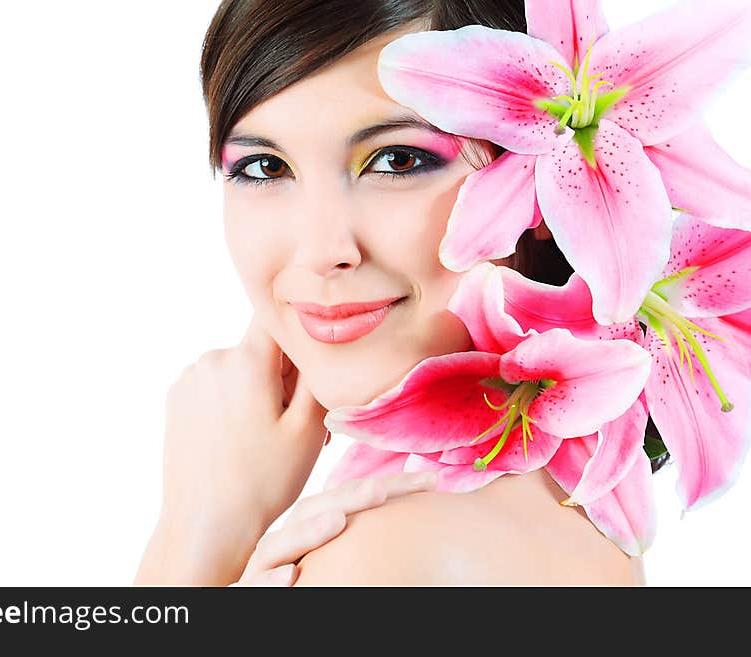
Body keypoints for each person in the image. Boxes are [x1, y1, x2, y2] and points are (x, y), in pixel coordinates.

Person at [134, 0, 649, 586]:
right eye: (264, 168)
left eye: (397, 159)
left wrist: (191, 544)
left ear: (549, 179)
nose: (322, 251)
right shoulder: (570, 520)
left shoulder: (385, 557)